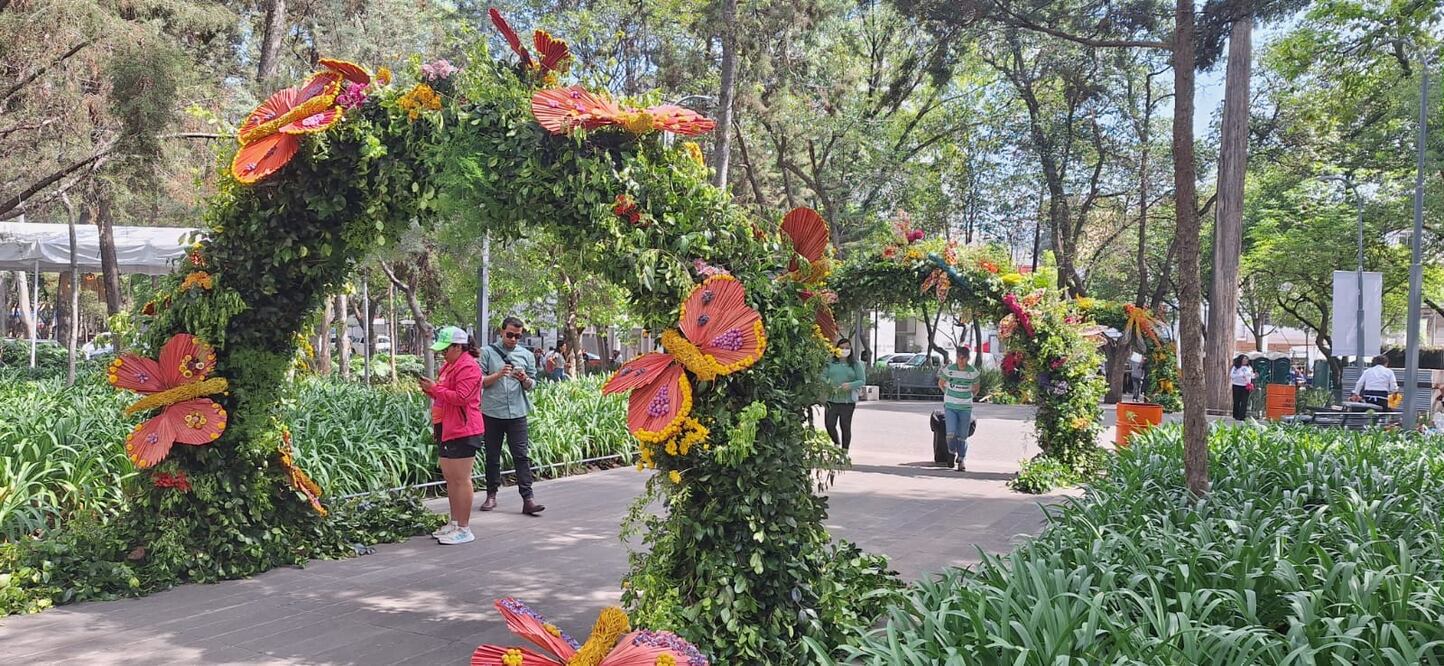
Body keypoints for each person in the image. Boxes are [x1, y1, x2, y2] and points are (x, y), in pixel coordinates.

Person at [419, 326, 485, 545]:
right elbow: (445, 394)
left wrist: (435, 389)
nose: (442, 354)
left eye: (446, 349)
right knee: (451, 479)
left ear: (458, 346)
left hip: (464, 429)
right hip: (446, 426)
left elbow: (461, 397)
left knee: (461, 479)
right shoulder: (450, 365)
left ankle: (465, 528)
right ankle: (455, 522)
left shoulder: (468, 367)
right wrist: (431, 389)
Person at [479, 316, 545, 515]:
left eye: (518, 336)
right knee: (492, 455)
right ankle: (491, 495)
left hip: (518, 412)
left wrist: (524, 379)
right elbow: (479, 381)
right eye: (510, 335)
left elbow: (534, 384)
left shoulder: (526, 355)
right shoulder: (488, 353)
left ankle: (528, 499)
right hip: (492, 412)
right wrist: (498, 374)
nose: (513, 339)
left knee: (521, 456)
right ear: (501, 332)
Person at [936, 345, 980, 472]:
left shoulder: (972, 372)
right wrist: (948, 394)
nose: (960, 361)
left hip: (965, 407)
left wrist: (969, 396)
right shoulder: (949, 370)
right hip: (950, 406)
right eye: (958, 358)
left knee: (962, 435)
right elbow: (941, 384)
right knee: (950, 433)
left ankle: (961, 459)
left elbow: (976, 388)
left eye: (963, 358)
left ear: (968, 359)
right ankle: (951, 451)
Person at [822, 338, 867, 451]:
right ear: (836, 349)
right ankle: (836, 443)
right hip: (831, 400)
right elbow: (822, 376)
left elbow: (861, 380)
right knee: (829, 424)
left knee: (845, 426)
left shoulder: (855, 364)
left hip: (847, 402)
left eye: (847, 348)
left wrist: (850, 385)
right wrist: (828, 383)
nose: (844, 350)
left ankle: (844, 451)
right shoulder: (830, 363)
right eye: (841, 348)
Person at [1230, 355, 1256, 420]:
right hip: (1237, 385)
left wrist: (1254, 375)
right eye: (1244, 359)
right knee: (1237, 401)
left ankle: (1242, 416)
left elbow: (1251, 375)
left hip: (1246, 386)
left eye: (1246, 360)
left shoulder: (1249, 367)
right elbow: (1232, 375)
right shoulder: (1236, 367)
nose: (1245, 361)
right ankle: (1236, 415)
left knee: (1244, 401)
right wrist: (1241, 375)